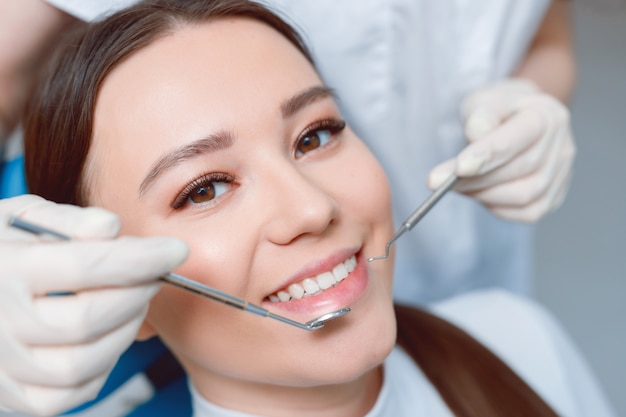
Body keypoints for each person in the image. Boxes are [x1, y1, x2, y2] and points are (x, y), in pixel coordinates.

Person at [14, 1, 612, 416]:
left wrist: (532, 95)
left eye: (315, 135)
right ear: (108, 287)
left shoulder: (518, 339)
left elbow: (539, 32)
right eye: (204, 189)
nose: (312, 209)